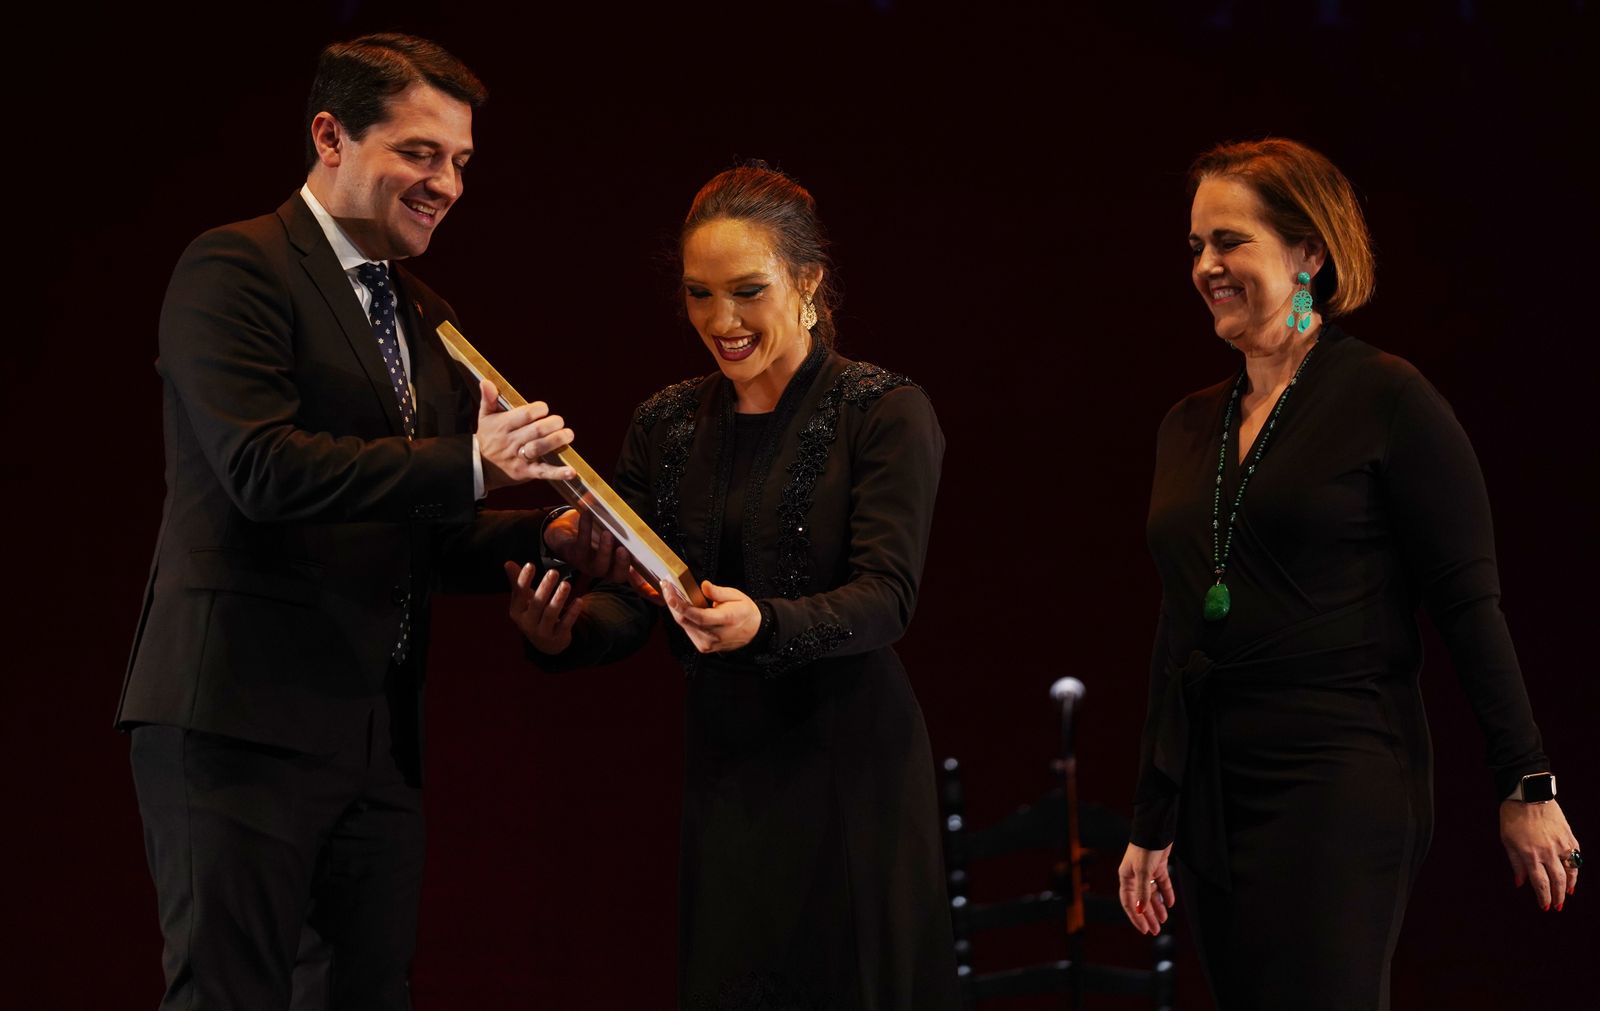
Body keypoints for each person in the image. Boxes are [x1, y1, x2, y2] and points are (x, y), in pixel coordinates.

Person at [116, 33, 615, 1009]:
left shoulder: (426, 316)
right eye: (420, 153)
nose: (447, 185)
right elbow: (262, 470)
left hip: (376, 736)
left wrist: (546, 538)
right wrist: (473, 462)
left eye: (460, 161)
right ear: (330, 135)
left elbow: (419, 528)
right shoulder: (235, 268)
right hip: (239, 717)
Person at [1117, 138, 1582, 1010]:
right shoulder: (1187, 424)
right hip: (1218, 789)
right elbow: (1178, 632)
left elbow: (1468, 604)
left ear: (1308, 253)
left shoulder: (1387, 399)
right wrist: (1154, 817)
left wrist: (1527, 783)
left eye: (1230, 241)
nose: (1206, 265)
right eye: (1196, 246)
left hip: (1336, 774)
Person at [508, 164, 959, 1010]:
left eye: (748, 291)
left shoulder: (882, 410)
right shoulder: (666, 421)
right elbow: (635, 597)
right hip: (728, 769)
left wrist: (766, 623)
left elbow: (887, 596)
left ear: (808, 281)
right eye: (699, 294)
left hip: (850, 769)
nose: (722, 321)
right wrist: (566, 632)